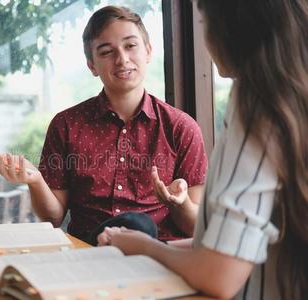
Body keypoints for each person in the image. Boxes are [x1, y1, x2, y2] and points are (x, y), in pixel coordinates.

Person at [100, 0, 308, 299]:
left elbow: (218, 273)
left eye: (202, 23)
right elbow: (237, 243)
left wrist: (145, 247)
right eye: (106, 51)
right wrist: (149, 245)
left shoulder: (255, 103)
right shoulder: (290, 96)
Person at [0, 5, 208, 244]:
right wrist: (35, 181)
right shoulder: (66, 125)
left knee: (139, 225)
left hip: (157, 256)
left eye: (130, 46)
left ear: (147, 51)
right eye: (106, 52)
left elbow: (195, 225)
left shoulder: (181, 128)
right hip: (88, 253)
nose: (122, 59)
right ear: (92, 65)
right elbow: (52, 218)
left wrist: (180, 202)